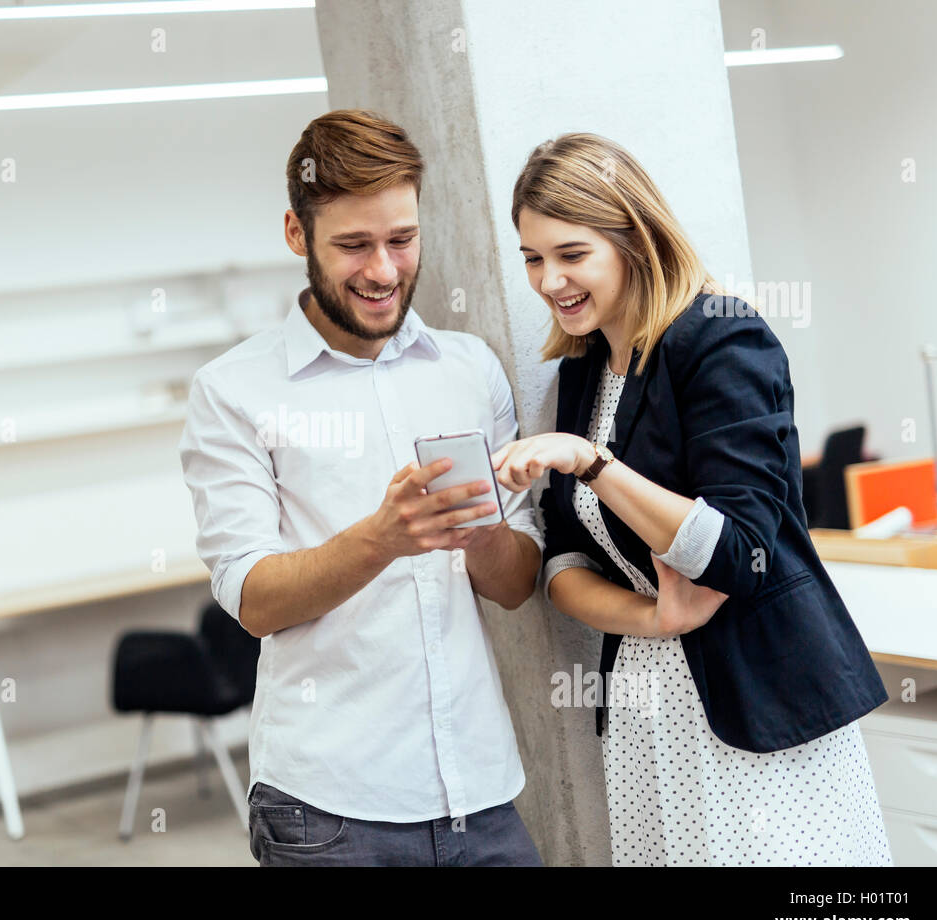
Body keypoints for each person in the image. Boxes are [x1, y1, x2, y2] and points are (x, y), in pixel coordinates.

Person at [492, 133, 892, 865]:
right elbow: (564, 559)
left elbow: (740, 554)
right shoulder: (582, 371)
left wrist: (592, 461)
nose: (549, 280)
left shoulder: (721, 338)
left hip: (755, 706)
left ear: (633, 239)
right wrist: (650, 615)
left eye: (571, 254)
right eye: (533, 258)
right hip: (649, 707)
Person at [178, 109, 547, 866]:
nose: (382, 270)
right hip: (328, 813)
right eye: (352, 245)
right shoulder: (232, 392)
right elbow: (253, 599)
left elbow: (514, 587)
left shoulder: (468, 369)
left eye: (401, 240)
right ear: (296, 233)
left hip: (479, 794)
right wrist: (383, 537)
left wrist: (480, 531)